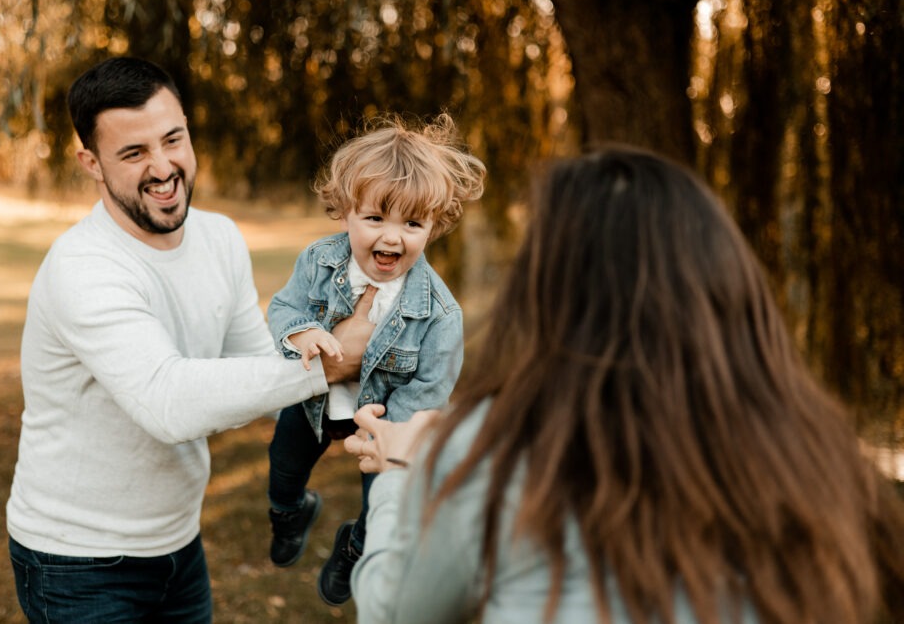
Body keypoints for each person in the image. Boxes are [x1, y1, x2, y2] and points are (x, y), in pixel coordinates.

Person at [344, 147, 904, 624]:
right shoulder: (814, 461)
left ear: (551, 291)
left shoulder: (497, 455)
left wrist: (404, 472)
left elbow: (394, 613)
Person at [5, 56, 375, 623]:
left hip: (178, 545)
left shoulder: (219, 237)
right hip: (75, 561)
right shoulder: (83, 267)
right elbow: (168, 402)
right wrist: (326, 365)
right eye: (133, 153)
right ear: (92, 164)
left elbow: (259, 364)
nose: (163, 167)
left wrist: (352, 364)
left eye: (172, 139)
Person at [264, 113, 486, 606]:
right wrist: (302, 333)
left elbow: (429, 392)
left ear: (434, 224)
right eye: (375, 218)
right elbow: (283, 308)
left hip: (381, 424)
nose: (393, 237)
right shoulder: (320, 262)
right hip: (313, 405)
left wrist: (388, 435)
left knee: (381, 504)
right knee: (282, 467)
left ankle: (355, 546)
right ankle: (290, 512)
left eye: (412, 223)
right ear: (345, 213)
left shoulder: (441, 315)